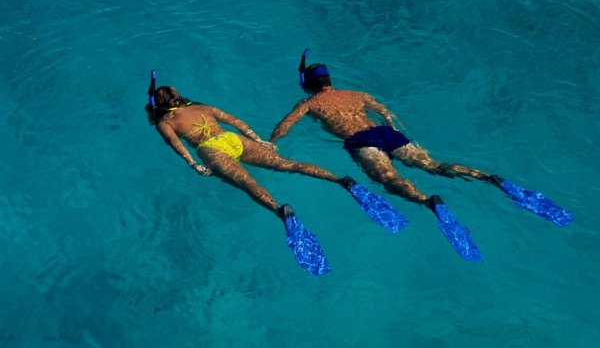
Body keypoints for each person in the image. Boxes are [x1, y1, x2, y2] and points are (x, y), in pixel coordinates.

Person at [269, 51, 574, 260]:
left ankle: (429, 202)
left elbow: (285, 126)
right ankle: (490, 178)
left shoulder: (308, 104)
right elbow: (387, 113)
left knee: (390, 181)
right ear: (329, 79)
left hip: (361, 142)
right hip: (388, 134)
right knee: (435, 165)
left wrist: (270, 143)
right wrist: (395, 131)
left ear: (308, 86)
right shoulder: (356, 94)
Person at [144, 71, 390, 275]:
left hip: (210, 150)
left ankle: (280, 211)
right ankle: (339, 180)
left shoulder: (165, 123)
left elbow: (176, 145)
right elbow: (236, 122)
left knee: (249, 185)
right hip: (233, 138)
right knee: (287, 164)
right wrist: (259, 140)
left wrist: (194, 165)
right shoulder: (202, 107)